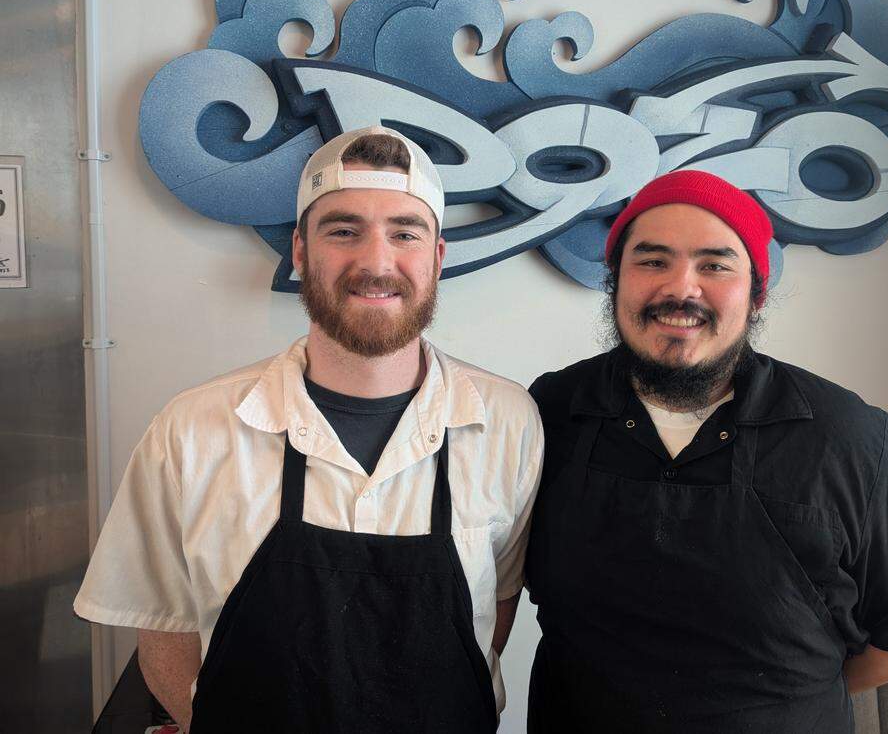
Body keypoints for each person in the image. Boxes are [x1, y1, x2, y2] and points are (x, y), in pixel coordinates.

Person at [75, 126, 543, 732]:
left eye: (405, 232)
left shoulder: (506, 422)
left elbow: (497, 606)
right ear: (299, 250)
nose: (376, 262)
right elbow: (165, 631)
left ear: (437, 256)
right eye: (343, 231)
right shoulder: (191, 433)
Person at [524, 169, 888, 734]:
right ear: (616, 280)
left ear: (756, 292)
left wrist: (786, 703)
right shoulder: (548, 411)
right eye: (652, 260)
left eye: (715, 265)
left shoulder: (849, 436)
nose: (681, 289)